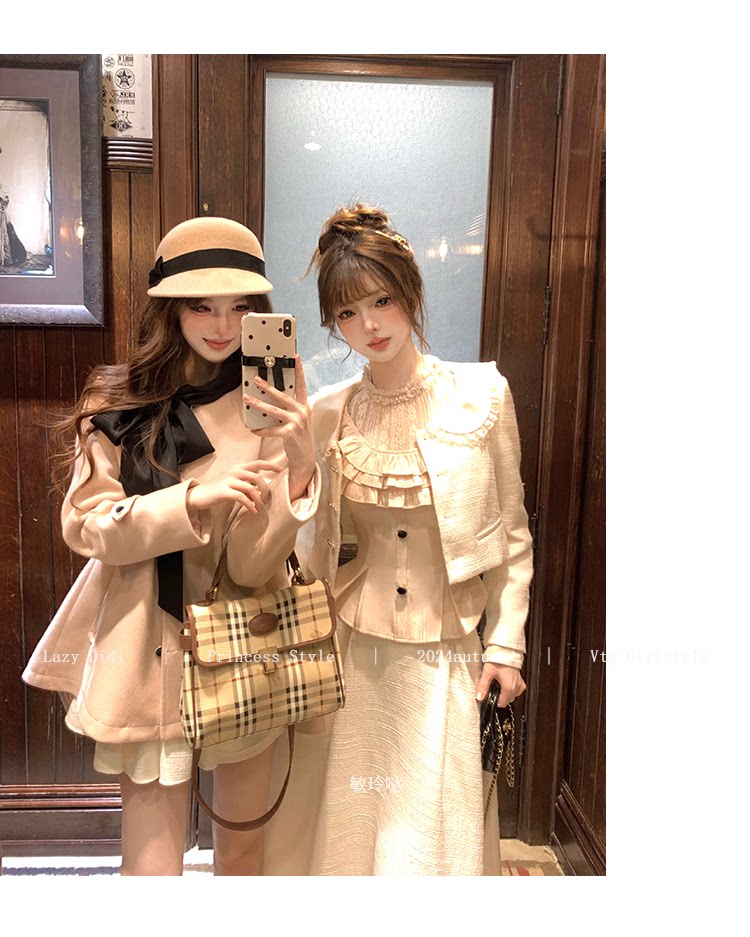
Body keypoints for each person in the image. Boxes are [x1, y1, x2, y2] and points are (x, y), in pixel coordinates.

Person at [22, 216, 319, 876]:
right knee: (151, 863)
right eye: (201, 306)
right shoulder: (119, 397)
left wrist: (299, 465)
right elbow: (88, 526)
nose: (223, 325)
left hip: (244, 639)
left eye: (239, 306)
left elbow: (252, 566)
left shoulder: (267, 400)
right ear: (170, 309)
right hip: (144, 646)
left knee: (243, 851)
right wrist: (191, 502)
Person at [288, 204, 533, 875]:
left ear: (412, 291)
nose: (369, 325)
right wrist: (294, 461)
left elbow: (513, 533)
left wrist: (506, 645)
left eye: (382, 301)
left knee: (433, 833)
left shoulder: (482, 396)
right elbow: (307, 549)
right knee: (352, 826)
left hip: (447, 653)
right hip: (353, 653)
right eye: (347, 312)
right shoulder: (328, 412)